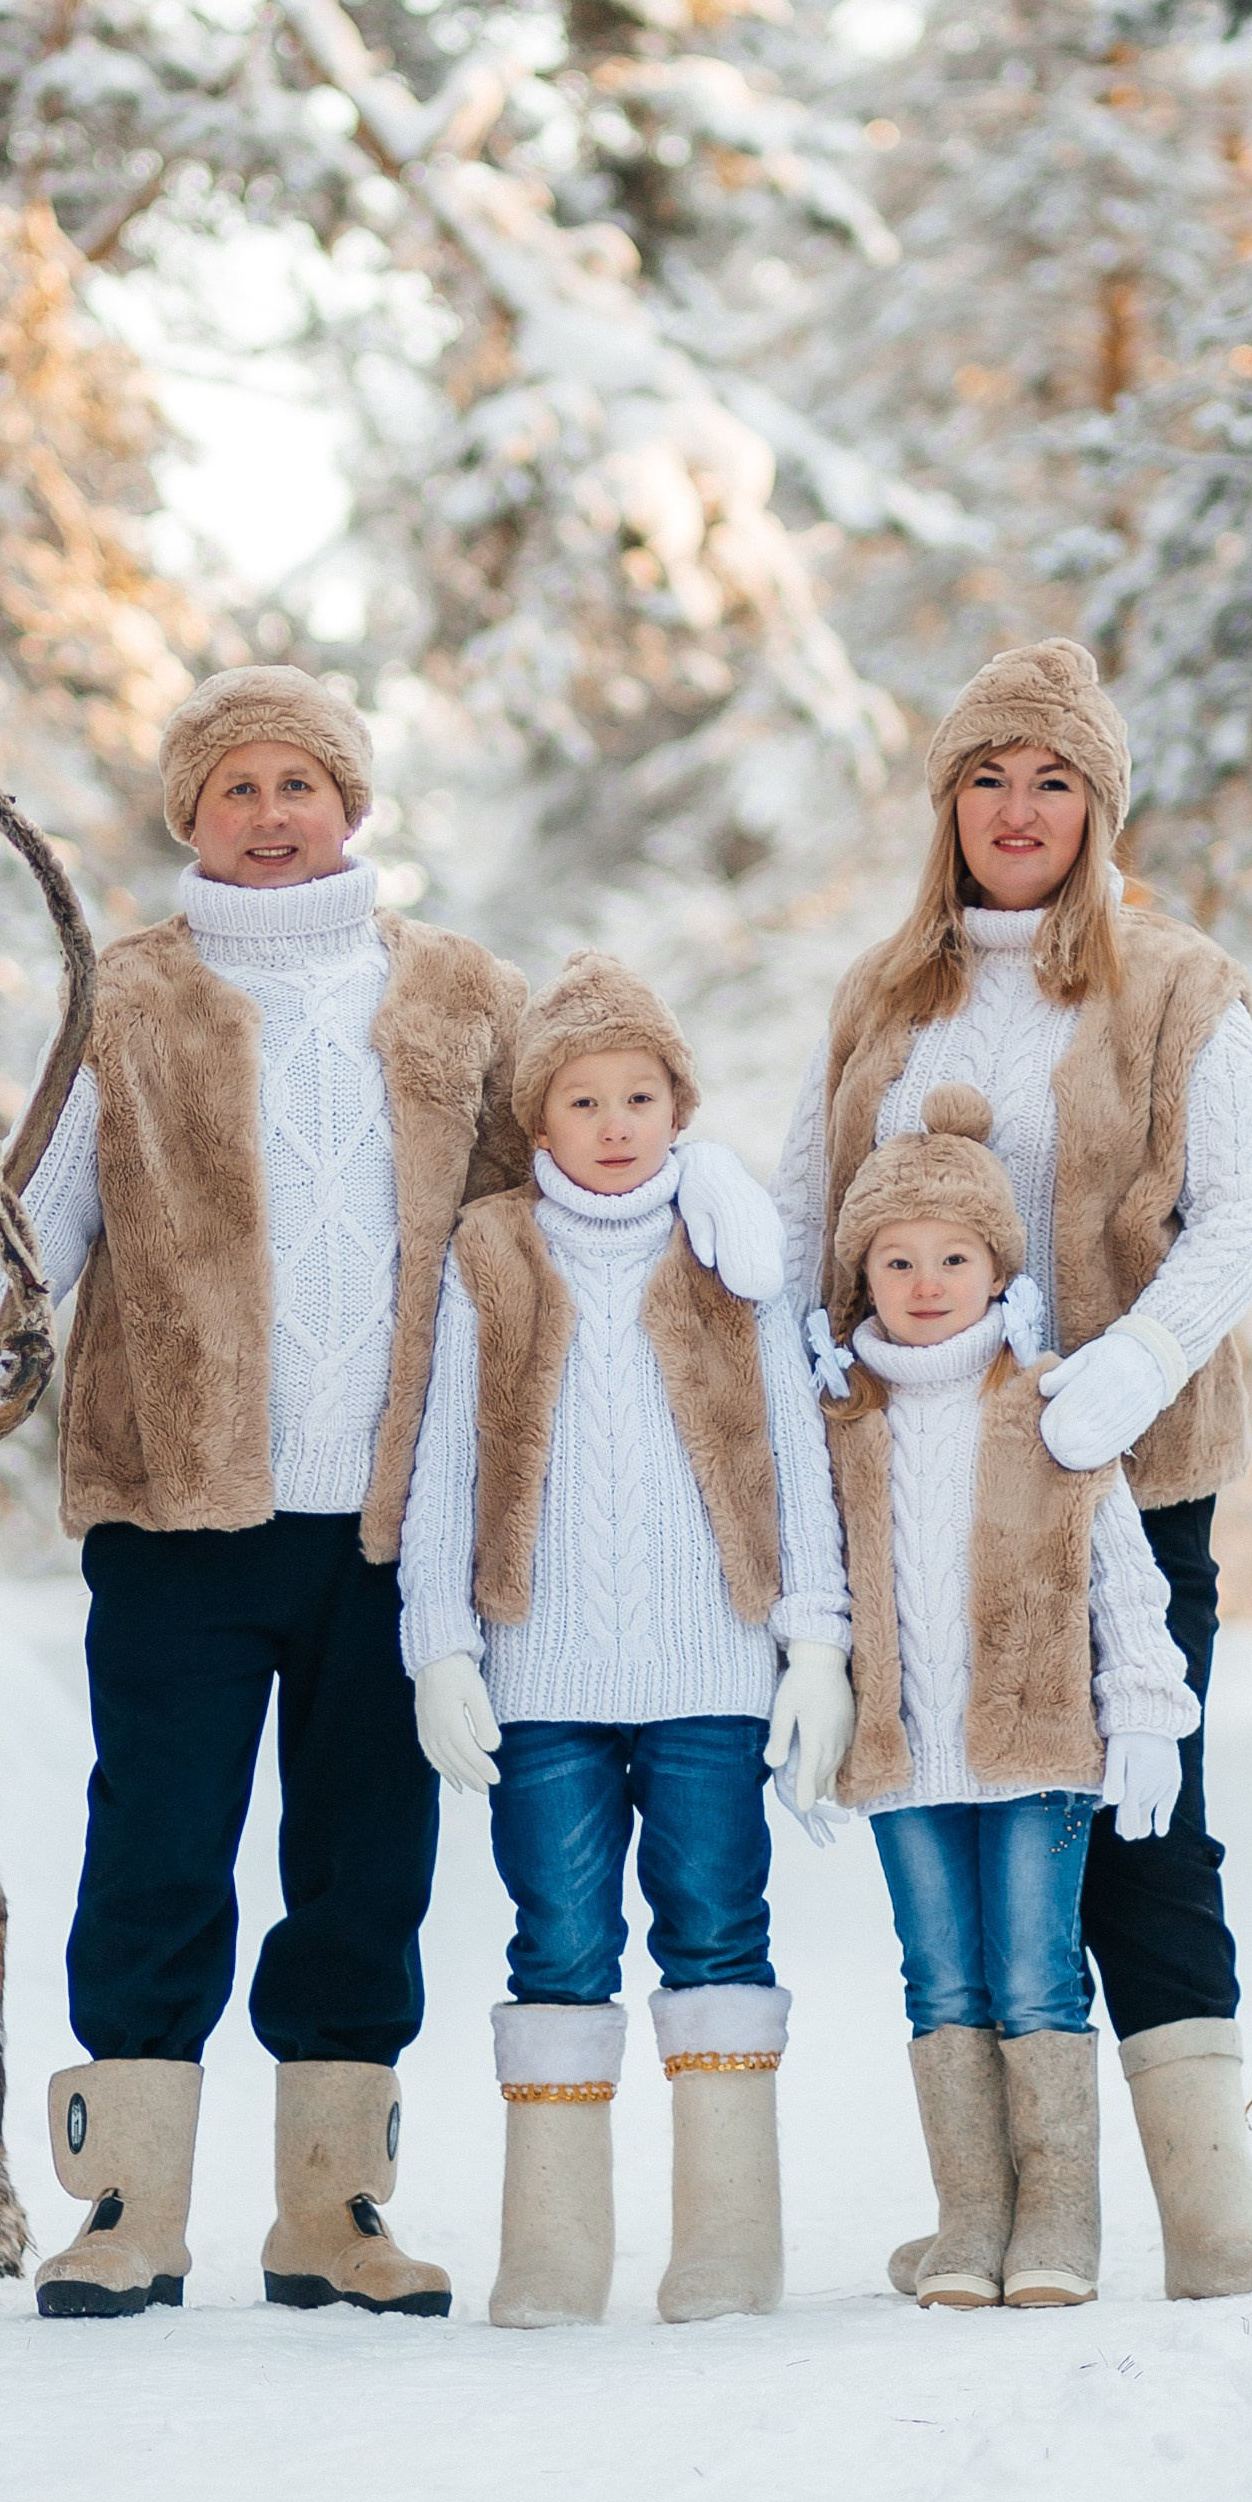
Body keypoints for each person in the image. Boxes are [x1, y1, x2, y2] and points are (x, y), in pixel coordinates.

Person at [774, 638, 1252, 2300]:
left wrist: (1126, 1371)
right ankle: (1000, 2220)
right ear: (945, 804)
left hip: (1119, 1485)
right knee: (955, 1832)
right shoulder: (879, 994)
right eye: (988, 778)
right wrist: (803, 1392)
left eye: (1052, 779)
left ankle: (1209, 2210)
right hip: (916, 1500)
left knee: (1146, 1822)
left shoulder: (1174, 984)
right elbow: (807, 1217)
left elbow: (1239, 1214)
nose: (1018, 810)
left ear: (1097, 805)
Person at [13, 664, 526, 2320]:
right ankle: (124, 2210)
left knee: (365, 1862)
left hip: (394, 1519)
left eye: (297, 782)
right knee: (158, 1847)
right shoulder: (127, 997)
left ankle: (333, 2212)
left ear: (351, 807)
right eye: (232, 787)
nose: (267, 813)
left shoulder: (456, 992)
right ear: (191, 817)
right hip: (179, 1506)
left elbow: (536, 1236)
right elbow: (37, 1234)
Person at [397, 955, 851, 2330]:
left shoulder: (732, 1252)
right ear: (539, 1122)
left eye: (639, 1097)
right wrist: (440, 1644)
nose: (612, 1124)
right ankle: (552, 2245)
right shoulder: (492, 1254)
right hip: (541, 1678)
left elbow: (793, 1451)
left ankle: (726, 2243)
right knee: (559, 1941)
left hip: (712, 1670)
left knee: (717, 1931)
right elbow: (444, 1465)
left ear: (676, 1106)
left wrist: (816, 1642)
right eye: (582, 1101)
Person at [813, 1087, 1196, 2308]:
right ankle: (969, 2218)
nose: (926, 1281)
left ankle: (1058, 2224)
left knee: (1034, 1973)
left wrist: (1145, 1705)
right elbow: (809, 1579)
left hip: (1034, 1751)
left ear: (995, 1266)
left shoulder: (1047, 1404)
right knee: (939, 1979)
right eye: (897, 1258)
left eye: (954, 1257)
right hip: (904, 1755)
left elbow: (1120, 1569)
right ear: (863, 1274)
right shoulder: (840, 1425)